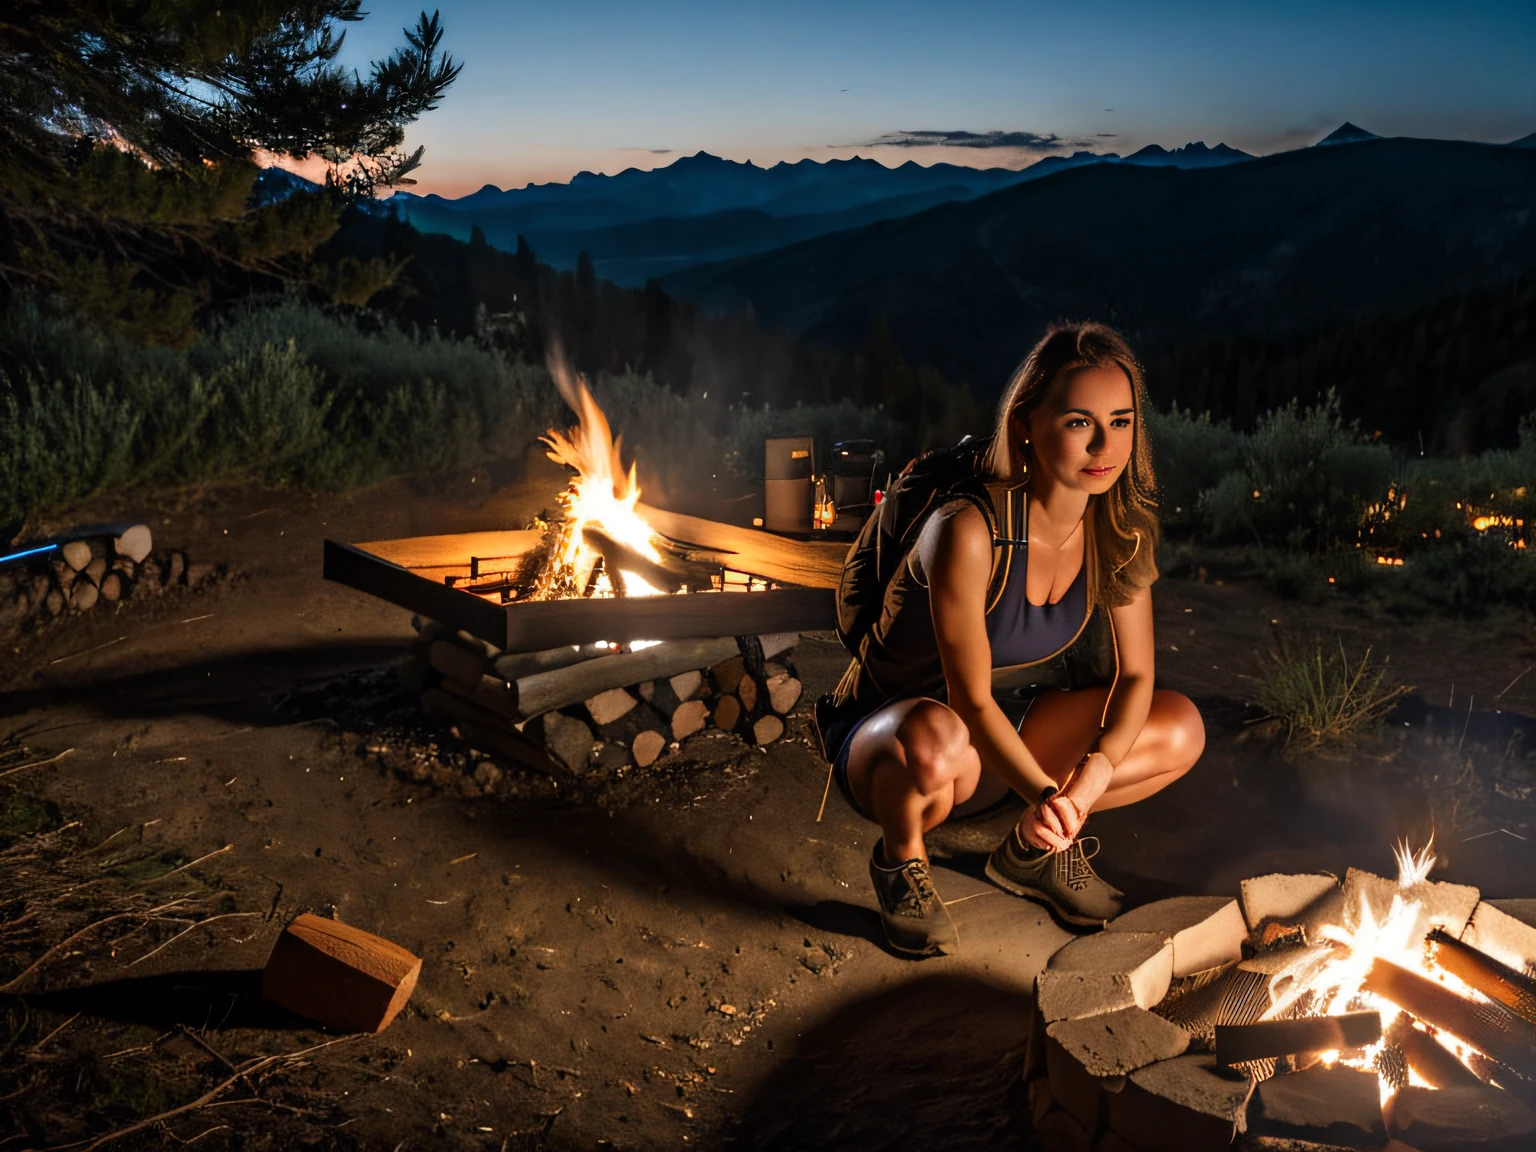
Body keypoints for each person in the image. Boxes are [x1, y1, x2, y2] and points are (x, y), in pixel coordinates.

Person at [816, 321, 1206, 956]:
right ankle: (901, 861)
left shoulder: (1119, 532)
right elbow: (967, 702)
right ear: (1027, 422)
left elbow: (1135, 677)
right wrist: (1050, 791)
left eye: (1122, 421)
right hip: (897, 736)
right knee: (939, 743)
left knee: (1180, 726)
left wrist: (1083, 786)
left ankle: (1033, 852)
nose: (1105, 444)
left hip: (1005, 743)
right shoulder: (969, 528)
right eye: (1081, 422)